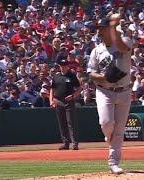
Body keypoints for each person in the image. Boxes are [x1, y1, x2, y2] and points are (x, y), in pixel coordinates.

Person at [87, 14, 132, 174]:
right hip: (104, 91)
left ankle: (114, 163)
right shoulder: (96, 51)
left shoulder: (124, 41)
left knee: (119, 130)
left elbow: (121, 46)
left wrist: (114, 28)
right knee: (106, 123)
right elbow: (91, 73)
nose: (100, 32)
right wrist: (104, 78)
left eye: (103, 28)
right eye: (99, 29)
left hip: (125, 91)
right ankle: (108, 136)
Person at [49, 59, 82, 150]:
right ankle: (66, 143)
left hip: (69, 101)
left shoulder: (71, 75)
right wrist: (51, 100)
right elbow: (52, 89)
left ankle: (75, 143)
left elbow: (79, 88)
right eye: (61, 65)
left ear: (68, 66)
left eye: (65, 65)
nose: (63, 67)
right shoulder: (56, 76)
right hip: (58, 101)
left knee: (71, 122)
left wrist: (73, 95)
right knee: (62, 123)